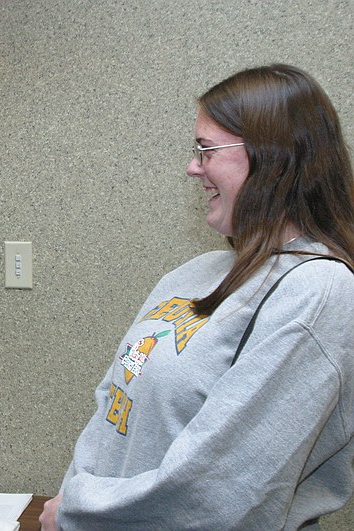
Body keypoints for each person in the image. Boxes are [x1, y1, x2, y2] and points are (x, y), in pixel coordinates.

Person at [40, 64, 354, 530]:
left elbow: (224, 490)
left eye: (206, 150)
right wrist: (76, 498)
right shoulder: (194, 274)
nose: (193, 167)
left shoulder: (319, 292)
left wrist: (77, 512)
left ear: (274, 157)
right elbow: (111, 404)